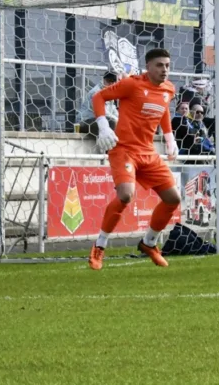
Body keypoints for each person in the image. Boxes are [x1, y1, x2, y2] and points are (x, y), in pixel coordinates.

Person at [88, 48, 181, 271]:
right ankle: (99, 245)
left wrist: (170, 138)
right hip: (124, 150)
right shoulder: (131, 84)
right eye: (159, 65)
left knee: (173, 198)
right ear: (148, 67)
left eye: (167, 65)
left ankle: (149, 243)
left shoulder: (169, 89)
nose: (164, 70)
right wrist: (103, 126)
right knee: (126, 195)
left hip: (148, 151)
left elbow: (163, 108)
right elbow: (99, 97)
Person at [80, 72, 119, 137]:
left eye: (113, 82)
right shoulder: (96, 92)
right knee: (111, 122)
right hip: (85, 122)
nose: (110, 84)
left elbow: (114, 110)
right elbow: (103, 113)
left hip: (98, 121)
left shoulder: (109, 92)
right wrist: (117, 120)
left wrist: (121, 120)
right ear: (103, 80)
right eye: (109, 82)